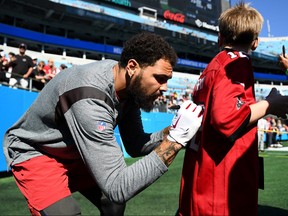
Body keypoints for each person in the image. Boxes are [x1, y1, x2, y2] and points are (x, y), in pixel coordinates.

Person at [3, 32, 204, 216]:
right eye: (159, 78)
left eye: (167, 80)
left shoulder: (127, 86)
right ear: (133, 67)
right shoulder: (89, 96)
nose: (165, 88)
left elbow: (135, 145)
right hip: (38, 151)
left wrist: (172, 131)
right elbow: (117, 187)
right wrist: (176, 140)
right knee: (67, 213)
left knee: (112, 203)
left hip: (75, 150)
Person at [178, 3, 288, 216]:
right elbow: (225, 119)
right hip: (221, 188)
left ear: (220, 38)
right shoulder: (237, 63)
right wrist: (270, 104)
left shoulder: (211, 67)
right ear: (255, 43)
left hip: (202, 179)